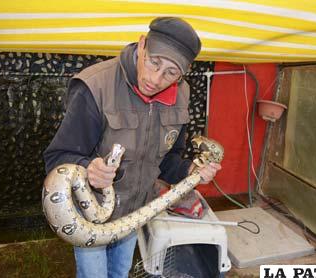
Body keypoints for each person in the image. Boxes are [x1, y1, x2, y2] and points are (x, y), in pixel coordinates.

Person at [43, 17, 221, 278]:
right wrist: (87, 169)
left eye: (171, 73)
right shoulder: (95, 87)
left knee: (120, 272)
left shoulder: (181, 95)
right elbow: (57, 157)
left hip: (135, 213)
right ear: (142, 45)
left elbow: (168, 161)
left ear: (184, 72)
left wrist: (191, 169)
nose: (156, 79)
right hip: (90, 215)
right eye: (154, 62)